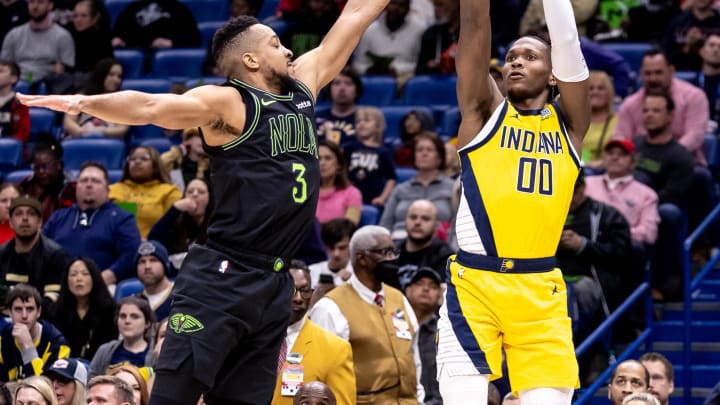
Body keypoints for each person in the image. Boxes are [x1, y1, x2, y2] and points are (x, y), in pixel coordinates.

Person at [19, 3, 392, 402]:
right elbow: (150, 107)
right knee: (174, 396)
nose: (288, 51)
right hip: (222, 276)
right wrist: (83, 103)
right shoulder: (229, 103)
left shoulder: (303, 86)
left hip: (274, 284)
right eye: (276, 44)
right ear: (250, 59)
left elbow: (353, 18)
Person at [438, 0, 590, 402]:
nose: (515, 63)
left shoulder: (571, 126)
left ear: (554, 75)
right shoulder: (484, 111)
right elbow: (473, 22)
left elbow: (568, 40)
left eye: (530, 56)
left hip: (540, 291)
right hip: (474, 285)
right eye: (510, 57)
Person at [309, 225, 424, 404]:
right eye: (385, 252)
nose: (392, 258)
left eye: (394, 251)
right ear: (361, 258)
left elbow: (414, 358)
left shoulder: (399, 298)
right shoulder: (330, 307)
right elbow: (321, 374)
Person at [44, 162, 142, 287]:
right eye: (84, 181)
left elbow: (130, 253)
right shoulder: (58, 217)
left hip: (105, 287)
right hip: (60, 286)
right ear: (77, 186)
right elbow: (42, 250)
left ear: (107, 190)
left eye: (96, 181)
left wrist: (106, 277)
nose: (89, 185)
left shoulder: (122, 218)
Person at [270, 261, 355, 405]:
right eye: (292, 290)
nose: (298, 298)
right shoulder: (250, 338)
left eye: (305, 291)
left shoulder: (335, 349)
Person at [380, 131, 454, 241]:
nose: (424, 154)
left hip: (440, 247)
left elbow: (458, 227)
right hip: (400, 245)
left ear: (439, 157)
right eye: (419, 150)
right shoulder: (400, 190)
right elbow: (385, 226)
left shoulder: (453, 188)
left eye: (429, 150)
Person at [0, 195, 66, 306]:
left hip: (42, 319)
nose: (25, 218)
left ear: (40, 222)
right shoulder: (2, 254)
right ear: (10, 222)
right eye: (19, 214)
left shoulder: (55, 255)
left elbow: (54, 299)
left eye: (31, 213)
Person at [47, 258, 117, 360]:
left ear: (94, 278)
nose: (79, 279)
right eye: (73, 274)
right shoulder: (55, 311)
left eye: (85, 274)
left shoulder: (109, 311)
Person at [109, 146, 182, 239]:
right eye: (132, 159)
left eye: (144, 158)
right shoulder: (111, 190)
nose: (137, 162)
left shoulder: (170, 191)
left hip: (155, 247)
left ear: (155, 166)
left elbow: (174, 228)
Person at [0, 284, 70, 381]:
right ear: (10, 313)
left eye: (29, 309)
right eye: (18, 309)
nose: (24, 315)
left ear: (38, 312)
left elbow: (46, 387)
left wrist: (28, 347)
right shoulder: (4, 336)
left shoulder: (58, 344)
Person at [0, 0, 74, 89]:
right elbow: (4, 64)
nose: (35, 6)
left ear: (50, 5)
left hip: (49, 84)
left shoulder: (63, 36)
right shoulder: (14, 34)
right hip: (17, 81)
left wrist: (61, 69)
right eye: (31, 2)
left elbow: (67, 69)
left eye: (40, 2)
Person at [351, 0, 425, 85]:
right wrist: (368, 69)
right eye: (393, 3)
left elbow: (419, 66)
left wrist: (396, 70)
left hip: (405, 79)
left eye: (402, 5)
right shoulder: (370, 30)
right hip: (372, 79)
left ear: (408, 8)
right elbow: (358, 64)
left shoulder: (419, 30)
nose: (396, 8)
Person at [147, 178, 210, 270]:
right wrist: (174, 209)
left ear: (210, 197)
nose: (194, 194)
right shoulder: (175, 222)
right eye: (190, 191)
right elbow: (153, 242)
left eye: (201, 192)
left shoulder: (217, 225)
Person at [88, 296, 155, 379]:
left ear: (147, 323)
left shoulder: (155, 354)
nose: (127, 321)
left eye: (134, 316)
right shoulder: (104, 350)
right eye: (123, 316)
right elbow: (91, 381)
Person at [403, 267, 443, 405]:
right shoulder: (393, 328)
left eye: (433, 286)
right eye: (419, 283)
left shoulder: (446, 332)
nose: (426, 289)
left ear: (440, 298)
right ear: (407, 291)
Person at [344, 106, 397, 207]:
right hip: (349, 198)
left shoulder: (384, 152)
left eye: (366, 120)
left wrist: (382, 198)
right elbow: (342, 171)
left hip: (373, 200)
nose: (361, 124)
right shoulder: (350, 148)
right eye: (358, 121)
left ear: (378, 126)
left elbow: (391, 178)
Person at [395, 199, 453, 291]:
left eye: (425, 219)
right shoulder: (393, 251)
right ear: (405, 220)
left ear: (436, 225)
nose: (417, 222)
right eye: (413, 217)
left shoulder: (446, 257)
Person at [62, 58, 127, 139]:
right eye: (111, 74)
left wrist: (102, 131)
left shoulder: (122, 102)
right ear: (101, 75)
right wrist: (80, 131)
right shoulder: (82, 97)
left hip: (107, 140)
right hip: (81, 138)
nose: (116, 80)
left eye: (119, 76)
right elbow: (68, 122)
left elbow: (122, 129)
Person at [19, 142, 76, 223]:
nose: (41, 171)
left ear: (58, 165)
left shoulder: (72, 188)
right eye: (36, 167)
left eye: (46, 166)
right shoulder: (26, 184)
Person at [110, 0, 200, 49]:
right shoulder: (132, 8)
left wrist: (172, 43)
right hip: (139, 50)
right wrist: (117, 39)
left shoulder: (179, 9)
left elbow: (194, 38)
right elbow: (116, 34)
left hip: (168, 55)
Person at [315, 66, 362, 146]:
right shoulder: (314, 117)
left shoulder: (365, 119)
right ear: (329, 89)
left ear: (357, 89)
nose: (342, 88)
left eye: (348, 83)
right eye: (336, 83)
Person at [581, 71, 618, 171]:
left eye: (600, 88)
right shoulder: (576, 120)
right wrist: (586, 163)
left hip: (609, 169)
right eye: (591, 88)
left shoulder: (619, 121)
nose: (595, 92)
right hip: (581, 169)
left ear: (609, 93)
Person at [66, 0, 112, 76]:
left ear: (94, 18)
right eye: (75, 16)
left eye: (83, 15)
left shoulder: (102, 39)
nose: (78, 20)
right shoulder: (67, 37)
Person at [309, 218, 356, 289]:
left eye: (342, 248)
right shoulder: (312, 271)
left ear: (351, 246)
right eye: (331, 248)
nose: (336, 254)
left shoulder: (359, 274)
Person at [134, 240, 174, 321]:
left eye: (153, 260)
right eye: (142, 261)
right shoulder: (134, 302)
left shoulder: (181, 297)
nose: (147, 266)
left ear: (165, 265)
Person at [0, 60, 29, 143]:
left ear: (13, 79)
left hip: (8, 149)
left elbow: (23, 134)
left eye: (1, 71)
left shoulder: (20, 103)